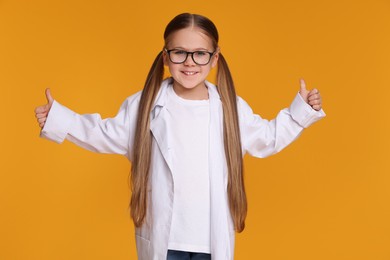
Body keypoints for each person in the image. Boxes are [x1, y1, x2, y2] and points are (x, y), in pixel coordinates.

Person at [35, 13, 325, 260]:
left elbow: (267, 138)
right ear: (166, 56)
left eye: (200, 53)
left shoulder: (230, 107)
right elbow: (103, 133)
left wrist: (300, 112)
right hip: (166, 241)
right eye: (179, 53)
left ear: (214, 59)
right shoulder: (145, 105)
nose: (189, 62)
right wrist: (60, 119)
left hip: (210, 241)